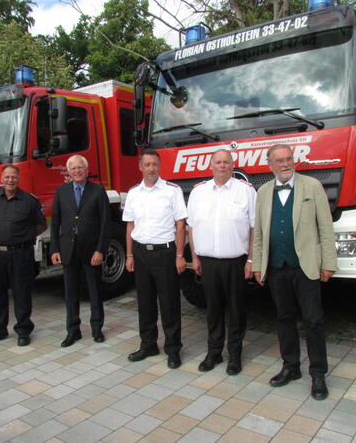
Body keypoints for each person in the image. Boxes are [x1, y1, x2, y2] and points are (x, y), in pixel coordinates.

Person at [252, 144, 337, 401]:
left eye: (289, 159)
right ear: (270, 165)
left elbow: (325, 227)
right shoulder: (264, 192)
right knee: (284, 319)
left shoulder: (312, 187)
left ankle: (318, 374)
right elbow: (259, 234)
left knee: (313, 320)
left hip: (306, 265)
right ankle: (291, 367)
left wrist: (328, 262)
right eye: (279, 161)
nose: (285, 164)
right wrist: (258, 265)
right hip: (277, 267)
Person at [187, 149, 256, 375]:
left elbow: (255, 228)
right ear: (211, 165)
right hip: (208, 262)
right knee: (213, 309)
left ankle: (235, 355)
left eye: (226, 162)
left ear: (232, 165)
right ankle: (214, 352)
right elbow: (192, 227)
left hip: (235, 261)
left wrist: (251, 260)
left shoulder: (246, 191)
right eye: (218, 162)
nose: (222, 166)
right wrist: (195, 257)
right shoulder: (199, 192)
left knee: (237, 310)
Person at [123, 148, 187, 369]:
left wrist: (180, 255)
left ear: (160, 167)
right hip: (140, 254)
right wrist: (129, 254)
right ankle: (148, 344)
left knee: (169, 303)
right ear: (140, 167)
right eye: (147, 164)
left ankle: (173, 349)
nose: (151, 168)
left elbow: (181, 224)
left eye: (155, 165)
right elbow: (130, 225)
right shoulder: (133, 193)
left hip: (165, 253)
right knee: (145, 303)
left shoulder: (172, 191)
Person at [0, 165, 47, 347]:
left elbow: (41, 225)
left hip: (20, 254)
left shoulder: (29, 201)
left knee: (21, 292)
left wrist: (22, 236)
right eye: (7, 177)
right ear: (2, 178)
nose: (10, 180)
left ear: (19, 179)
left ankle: (23, 329)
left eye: (13, 177)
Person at [50, 155, 111, 347]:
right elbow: (55, 222)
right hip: (68, 250)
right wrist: (55, 249)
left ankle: (96, 329)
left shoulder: (98, 191)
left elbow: (105, 223)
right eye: (73, 168)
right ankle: (73, 331)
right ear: (68, 171)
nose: (77, 171)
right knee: (70, 294)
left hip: (91, 251)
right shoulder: (61, 191)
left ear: (86, 169)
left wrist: (100, 250)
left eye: (80, 168)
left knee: (94, 291)